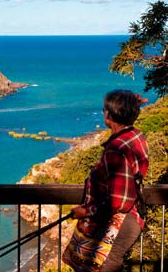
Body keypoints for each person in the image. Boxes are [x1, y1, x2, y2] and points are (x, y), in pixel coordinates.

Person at [62, 90, 149, 271]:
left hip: (118, 225)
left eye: (104, 110)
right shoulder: (135, 136)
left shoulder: (116, 149)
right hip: (129, 221)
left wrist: (85, 211)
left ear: (109, 114)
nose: (103, 113)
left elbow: (119, 201)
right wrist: (131, 106)